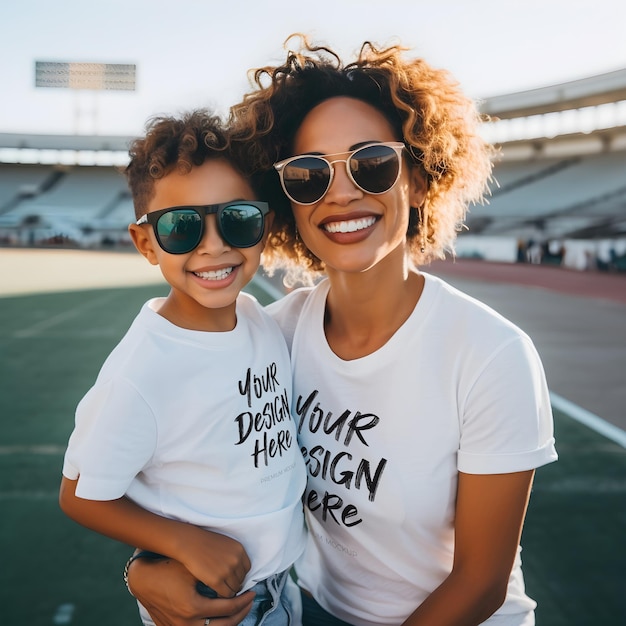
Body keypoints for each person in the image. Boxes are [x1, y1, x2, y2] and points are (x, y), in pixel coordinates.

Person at [127, 36, 558, 626]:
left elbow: (480, 582)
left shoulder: (490, 354)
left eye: (372, 163)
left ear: (421, 178)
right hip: (317, 612)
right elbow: (201, 481)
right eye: (308, 175)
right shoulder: (271, 336)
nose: (341, 192)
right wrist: (147, 567)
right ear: (287, 202)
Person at [58, 110, 307, 626]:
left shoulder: (258, 320)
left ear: (265, 225)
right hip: (214, 607)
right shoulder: (142, 371)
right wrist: (181, 541)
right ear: (147, 242)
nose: (213, 245)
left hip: (284, 586)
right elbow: (81, 494)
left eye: (238, 219)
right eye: (181, 226)